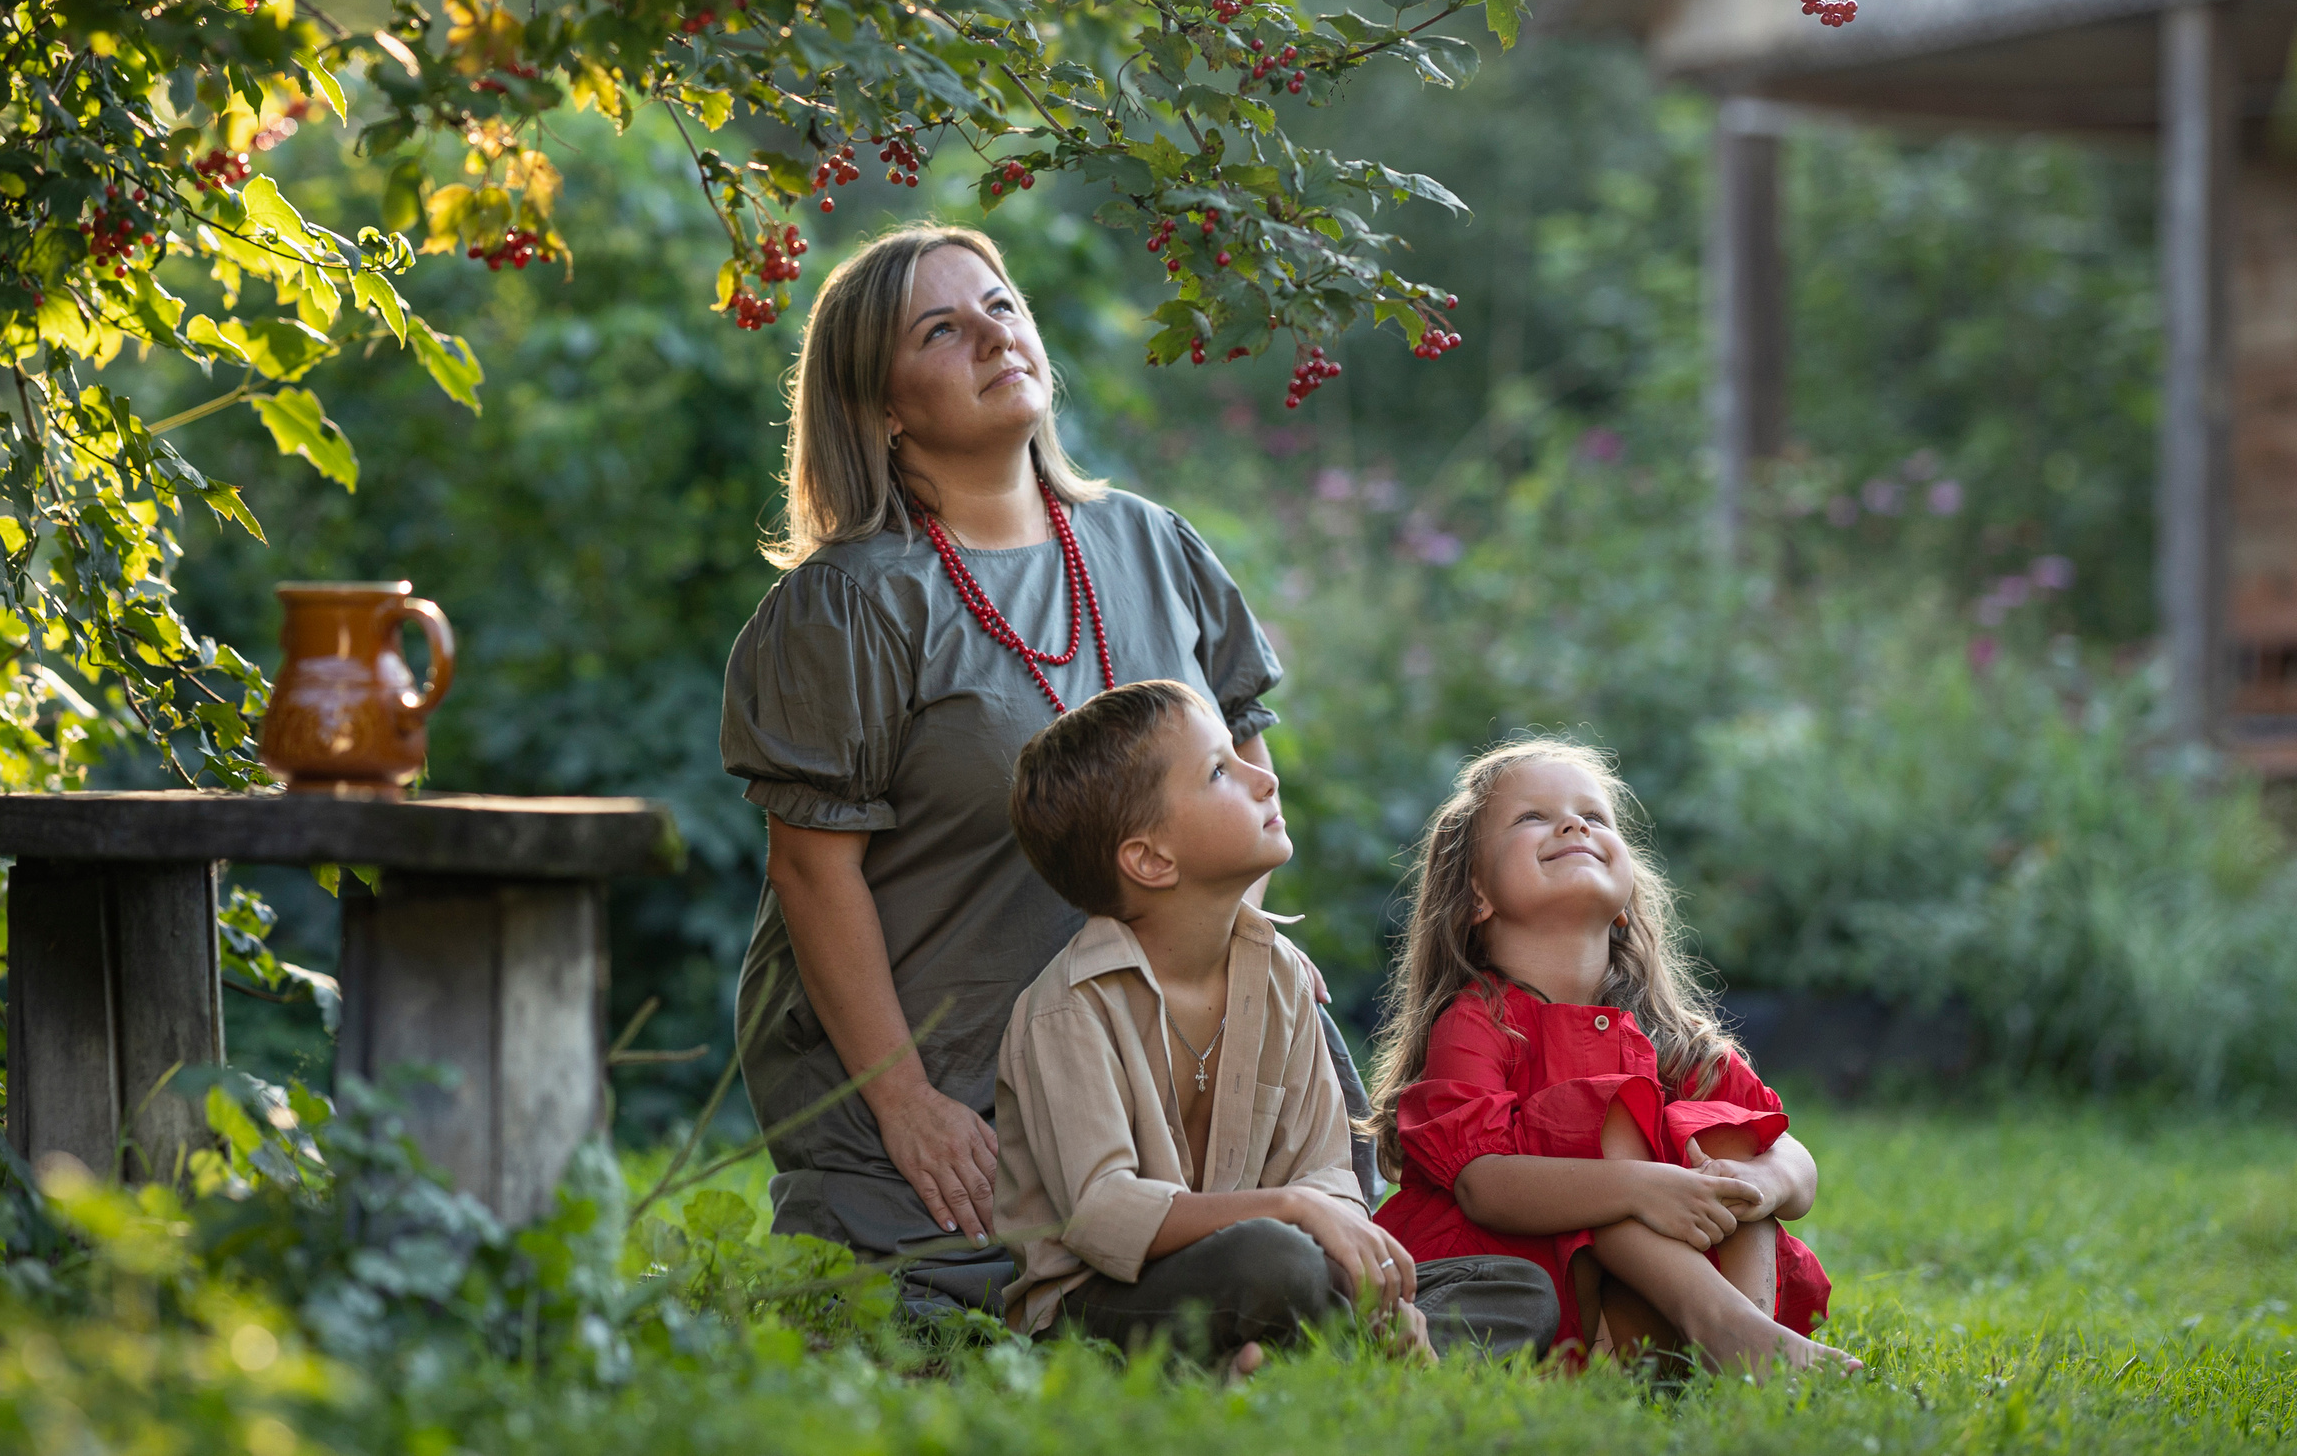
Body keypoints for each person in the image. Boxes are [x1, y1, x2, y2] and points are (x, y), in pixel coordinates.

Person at [719, 224, 1383, 1314]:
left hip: (1166, 1073)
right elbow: (810, 873)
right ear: (879, 405)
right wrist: (906, 1103)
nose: (992, 333)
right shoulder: (850, 602)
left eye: (1001, 305)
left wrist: (1237, 972)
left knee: (1332, 1269)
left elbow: (1244, 763)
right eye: (941, 328)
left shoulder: (1152, 542)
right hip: (950, 1081)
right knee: (945, 1322)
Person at [993, 680, 1562, 1370]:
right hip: (1107, 1303)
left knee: (1515, 1287)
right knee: (1275, 1258)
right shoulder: (1067, 1007)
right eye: (1219, 771)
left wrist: (1379, 1292)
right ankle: (1327, 1364)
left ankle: (1279, 1364)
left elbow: (1326, 1173)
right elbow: (1102, 1211)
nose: (1265, 776)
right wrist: (1290, 1209)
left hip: (1278, 1275)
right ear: (1151, 859)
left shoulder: (1282, 977)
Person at [1364, 740, 1858, 1375]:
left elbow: (1790, 1157)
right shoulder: (1477, 1022)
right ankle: (1730, 1334)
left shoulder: (1665, 1033)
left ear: (1626, 898)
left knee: (1735, 1141)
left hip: (1652, 1302)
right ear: (1476, 895)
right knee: (1600, 1125)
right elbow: (1483, 1185)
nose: (1574, 825)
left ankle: (1746, 1337)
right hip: (1534, 1284)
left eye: (1594, 817)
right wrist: (1640, 1186)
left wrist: (1758, 1186)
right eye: (1531, 818)